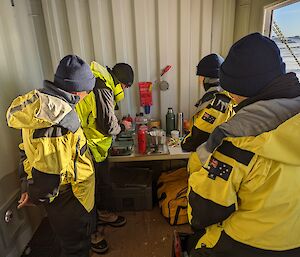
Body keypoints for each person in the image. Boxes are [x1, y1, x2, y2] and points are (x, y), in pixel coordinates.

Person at [188, 32, 300, 257]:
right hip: (294, 241)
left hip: (248, 243)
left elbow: (205, 210)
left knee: (196, 244)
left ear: (242, 89)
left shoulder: (237, 139)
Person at [7, 55, 96, 257]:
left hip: (61, 198)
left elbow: (26, 151)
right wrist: (35, 196)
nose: (88, 95)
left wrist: (27, 186)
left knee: (66, 240)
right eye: (87, 91)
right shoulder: (59, 120)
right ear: (76, 90)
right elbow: (48, 176)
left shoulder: (41, 105)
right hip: (69, 198)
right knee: (76, 248)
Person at [75, 61, 134, 253]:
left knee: (103, 184)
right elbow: (108, 126)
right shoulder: (103, 89)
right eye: (126, 87)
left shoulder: (101, 84)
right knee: (89, 192)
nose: (124, 90)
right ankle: (92, 234)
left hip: (95, 146)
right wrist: (122, 126)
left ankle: (104, 214)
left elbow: (101, 117)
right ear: (122, 83)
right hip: (87, 148)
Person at [181, 53, 235, 175]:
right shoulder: (220, 98)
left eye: (200, 76)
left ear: (206, 78)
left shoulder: (217, 102)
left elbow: (197, 139)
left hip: (206, 166)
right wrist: (191, 127)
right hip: (211, 163)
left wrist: (184, 141)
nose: (199, 80)